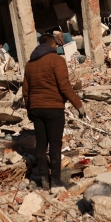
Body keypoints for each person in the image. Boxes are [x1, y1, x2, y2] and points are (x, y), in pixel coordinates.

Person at [23, 33, 86, 189]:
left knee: (41, 144)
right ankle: (55, 180)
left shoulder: (29, 64)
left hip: (36, 108)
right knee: (55, 144)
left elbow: (26, 91)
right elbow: (64, 85)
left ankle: (44, 179)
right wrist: (78, 105)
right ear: (53, 45)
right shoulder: (57, 60)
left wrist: (29, 110)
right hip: (53, 108)